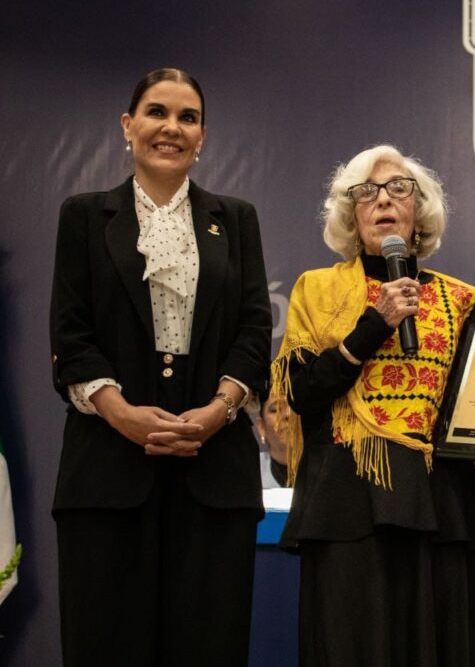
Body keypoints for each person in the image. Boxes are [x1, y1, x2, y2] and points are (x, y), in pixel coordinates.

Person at [49, 68, 272, 666]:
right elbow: (71, 337)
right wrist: (120, 413)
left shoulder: (237, 218)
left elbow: (254, 332)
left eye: (188, 117)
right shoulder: (83, 215)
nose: (171, 128)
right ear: (128, 126)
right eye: (156, 112)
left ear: (203, 137)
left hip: (214, 479)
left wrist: (218, 411)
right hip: (106, 476)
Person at [276, 144, 475, 667]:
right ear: (351, 214)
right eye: (366, 192)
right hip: (347, 504)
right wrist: (375, 324)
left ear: (419, 213)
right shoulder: (316, 291)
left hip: (440, 506)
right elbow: (300, 394)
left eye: (398, 189)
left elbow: (470, 411)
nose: (383, 199)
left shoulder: (464, 300)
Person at [256, 390, 293, 488]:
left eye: (294, 408)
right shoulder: (249, 472)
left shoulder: (331, 466)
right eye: (275, 409)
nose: (287, 415)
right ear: (262, 427)